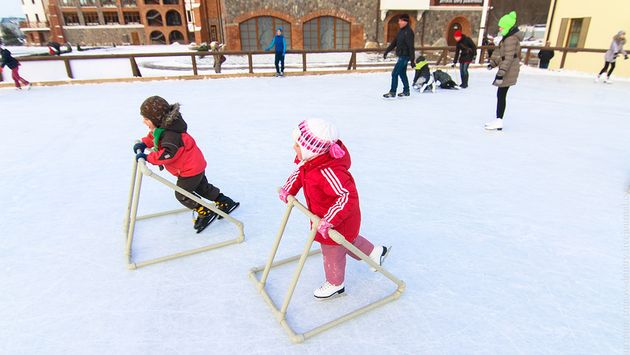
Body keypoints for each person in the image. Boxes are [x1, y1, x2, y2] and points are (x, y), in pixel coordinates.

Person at [279, 119, 391, 299]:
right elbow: (300, 173)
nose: (294, 147)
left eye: (297, 145)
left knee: (333, 251)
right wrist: (288, 189)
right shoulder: (311, 163)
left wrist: (329, 220)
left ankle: (335, 284)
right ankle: (374, 252)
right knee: (349, 242)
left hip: (339, 220)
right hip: (330, 217)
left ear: (311, 149)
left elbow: (347, 196)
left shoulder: (328, 171)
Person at [133, 96, 239, 233]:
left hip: (189, 170)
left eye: (146, 119)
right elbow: (154, 136)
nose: (144, 122)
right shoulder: (163, 128)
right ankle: (224, 201)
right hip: (194, 164)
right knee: (203, 188)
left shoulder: (171, 135)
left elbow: (168, 153)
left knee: (182, 194)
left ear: (156, 119)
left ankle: (205, 211)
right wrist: (144, 143)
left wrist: (148, 157)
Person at [485, 11, 524, 131]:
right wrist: (493, 64)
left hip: (509, 71)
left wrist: (501, 73)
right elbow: (500, 55)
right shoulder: (506, 37)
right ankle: (498, 119)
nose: (500, 28)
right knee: (500, 94)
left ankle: (499, 120)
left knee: (501, 95)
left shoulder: (510, 39)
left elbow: (508, 58)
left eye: (502, 26)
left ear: (507, 26)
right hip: (508, 69)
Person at [383, 14, 415, 98]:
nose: (399, 22)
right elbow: (394, 42)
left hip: (405, 56)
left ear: (405, 21)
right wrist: (387, 51)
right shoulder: (401, 31)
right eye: (399, 21)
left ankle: (392, 92)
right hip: (401, 55)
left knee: (394, 73)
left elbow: (411, 47)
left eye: (400, 21)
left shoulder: (409, 32)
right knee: (402, 73)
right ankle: (406, 91)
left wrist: (412, 60)